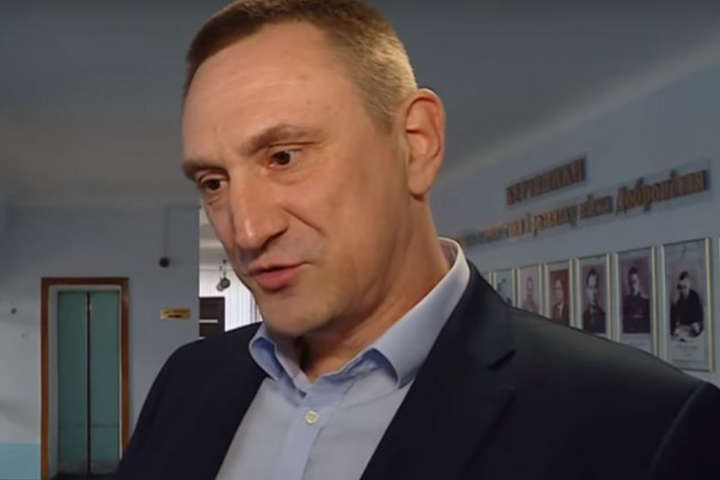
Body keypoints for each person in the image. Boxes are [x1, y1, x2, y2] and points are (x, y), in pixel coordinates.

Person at [116, 1, 720, 478]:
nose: (246, 230)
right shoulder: (187, 381)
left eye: (284, 156)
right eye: (213, 182)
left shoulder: (647, 424)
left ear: (416, 144)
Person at [670, 271, 704, 339]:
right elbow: (674, 320)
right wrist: (674, 304)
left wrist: (696, 324)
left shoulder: (694, 296)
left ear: (689, 284)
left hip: (693, 327)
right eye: (681, 287)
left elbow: (699, 316)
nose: (683, 290)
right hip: (683, 329)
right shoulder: (678, 298)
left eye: (685, 287)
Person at [622, 266, 651, 333]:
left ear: (639, 282)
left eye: (634, 282)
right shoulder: (624, 302)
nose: (632, 285)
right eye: (630, 282)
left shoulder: (646, 302)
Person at [582, 268, 606, 333]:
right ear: (587, 291)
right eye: (590, 288)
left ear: (599, 290)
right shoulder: (582, 317)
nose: (593, 293)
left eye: (595, 287)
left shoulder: (605, 317)